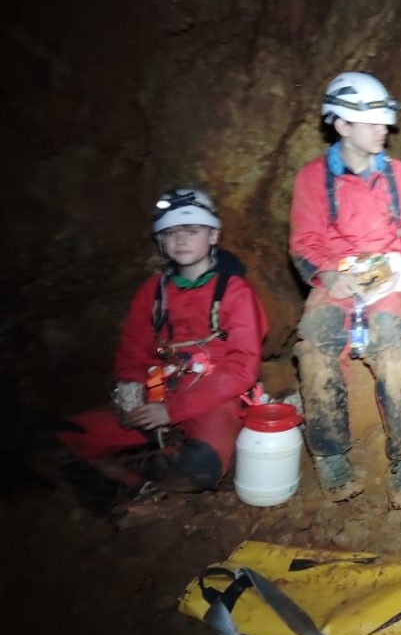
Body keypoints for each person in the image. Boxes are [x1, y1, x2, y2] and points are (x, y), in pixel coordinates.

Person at [48, 189, 268, 509]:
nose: (180, 240)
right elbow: (132, 351)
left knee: (200, 465)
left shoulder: (235, 293)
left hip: (212, 397)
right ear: (160, 240)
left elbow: (242, 368)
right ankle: (131, 480)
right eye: (169, 233)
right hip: (158, 393)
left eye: (191, 230)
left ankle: (127, 480)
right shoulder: (151, 293)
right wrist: (131, 389)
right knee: (58, 438)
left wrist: (172, 411)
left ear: (213, 236)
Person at [289, 71, 401, 509]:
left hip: (390, 275)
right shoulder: (313, 179)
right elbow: (305, 241)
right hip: (339, 276)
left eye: (384, 120)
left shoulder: (399, 176)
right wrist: (327, 274)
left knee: (390, 338)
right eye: (372, 121)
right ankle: (329, 454)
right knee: (315, 339)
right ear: (342, 125)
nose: (384, 129)